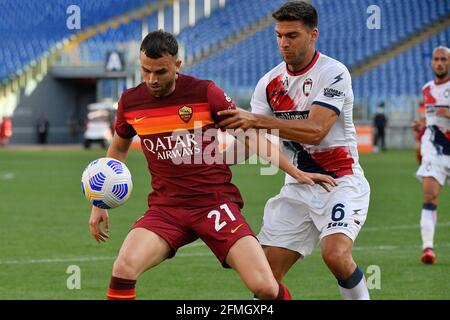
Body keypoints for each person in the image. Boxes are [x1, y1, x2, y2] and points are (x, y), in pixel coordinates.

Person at [88, 30, 336, 300]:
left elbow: (250, 136)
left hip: (214, 204)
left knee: (264, 286)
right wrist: (99, 203)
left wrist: (294, 171)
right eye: (145, 71)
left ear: (177, 66)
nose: (151, 80)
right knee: (123, 267)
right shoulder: (130, 102)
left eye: (160, 72)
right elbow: (118, 150)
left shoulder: (205, 92)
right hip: (166, 209)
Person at [217, 1, 371, 300]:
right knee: (264, 280)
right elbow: (252, 140)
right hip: (297, 185)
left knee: (336, 255)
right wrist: (211, 161)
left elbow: (316, 129)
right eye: (279, 36)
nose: (284, 43)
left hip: (341, 181)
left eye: (292, 36)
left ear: (313, 35)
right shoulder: (269, 83)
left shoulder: (334, 73)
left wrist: (255, 119)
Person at [413, 46, 450, 265]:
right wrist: (421, 125)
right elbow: (431, 118)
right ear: (431, 62)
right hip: (434, 149)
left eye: (443, 59)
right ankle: (428, 248)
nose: (439, 63)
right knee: (429, 196)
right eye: (436, 59)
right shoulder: (426, 89)